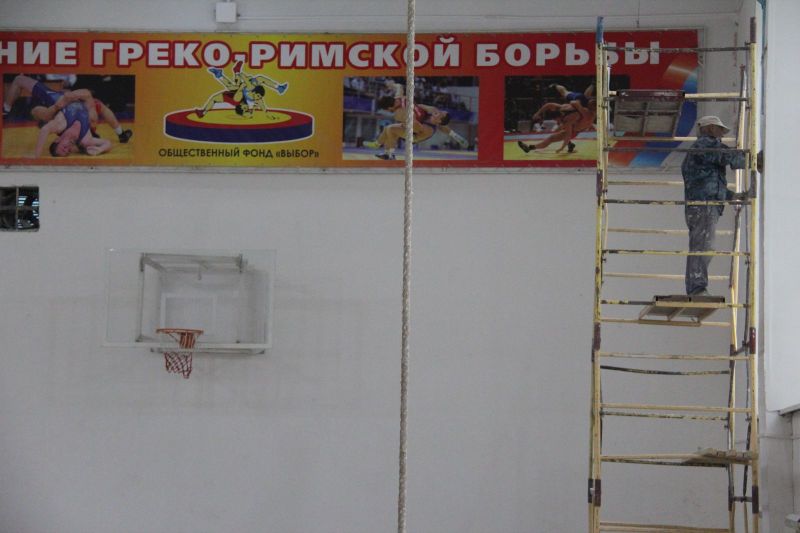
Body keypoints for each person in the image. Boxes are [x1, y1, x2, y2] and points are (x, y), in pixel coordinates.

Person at [681, 115, 746, 296]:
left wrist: (732, 196)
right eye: (720, 130)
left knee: (704, 246)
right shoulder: (704, 145)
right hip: (703, 205)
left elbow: (710, 183)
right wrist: (755, 159)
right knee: (703, 247)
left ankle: (696, 287)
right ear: (710, 128)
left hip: (704, 205)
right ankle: (696, 288)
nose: (722, 136)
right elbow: (729, 157)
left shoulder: (703, 153)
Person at [3, 74, 132, 143]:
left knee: (20, 82)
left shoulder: (63, 125)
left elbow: (40, 113)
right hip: (61, 102)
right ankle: (120, 133)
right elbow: (86, 94)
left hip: (57, 102)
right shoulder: (88, 121)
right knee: (97, 105)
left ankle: (6, 110)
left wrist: (63, 101)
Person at [365, 94, 467, 159]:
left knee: (392, 129)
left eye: (440, 114)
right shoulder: (432, 112)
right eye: (439, 111)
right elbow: (420, 106)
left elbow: (417, 126)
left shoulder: (430, 129)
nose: (438, 112)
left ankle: (387, 153)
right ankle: (381, 147)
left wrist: (408, 118)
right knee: (389, 129)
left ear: (439, 121)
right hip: (415, 124)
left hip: (415, 136)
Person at [34, 100, 112, 157]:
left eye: (63, 148)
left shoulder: (60, 125)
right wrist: (100, 150)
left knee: (36, 111)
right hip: (86, 101)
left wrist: (37, 156)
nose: (67, 149)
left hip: (63, 99)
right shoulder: (85, 140)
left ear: (57, 140)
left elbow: (44, 130)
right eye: (68, 152)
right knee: (93, 103)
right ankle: (118, 131)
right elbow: (107, 143)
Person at [518, 98, 596, 154]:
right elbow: (548, 105)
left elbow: (568, 135)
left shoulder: (569, 119)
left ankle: (529, 148)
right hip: (578, 123)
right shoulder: (564, 108)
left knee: (551, 138)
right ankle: (570, 145)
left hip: (575, 130)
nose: (557, 122)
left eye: (556, 121)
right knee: (558, 130)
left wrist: (561, 148)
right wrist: (537, 113)